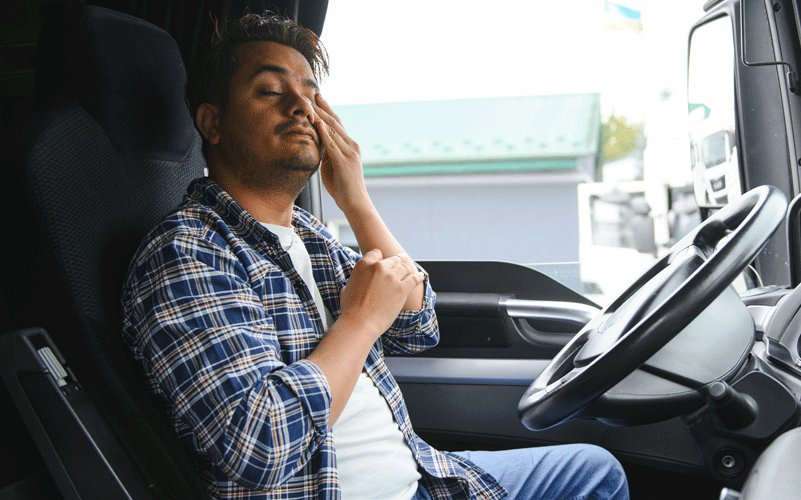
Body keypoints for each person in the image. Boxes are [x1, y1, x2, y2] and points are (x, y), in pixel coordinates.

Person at [121, 12, 628, 500]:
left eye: (311, 94)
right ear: (212, 123)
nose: (301, 107)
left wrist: (355, 200)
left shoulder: (308, 234)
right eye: (271, 91)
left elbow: (419, 323)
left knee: (595, 472)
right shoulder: (186, 252)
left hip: (421, 475)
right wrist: (359, 322)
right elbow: (260, 445)